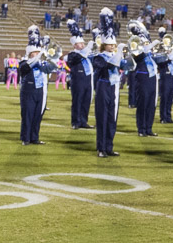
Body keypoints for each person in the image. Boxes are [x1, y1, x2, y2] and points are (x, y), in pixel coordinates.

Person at [91, 9, 127, 157]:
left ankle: (109, 147)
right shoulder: (99, 57)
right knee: (103, 117)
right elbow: (109, 65)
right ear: (104, 45)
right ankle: (101, 148)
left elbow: (126, 66)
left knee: (112, 117)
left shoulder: (115, 55)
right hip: (103, 86)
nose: (112, 46)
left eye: (114, 44)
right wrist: (119, 54)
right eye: (110, 44)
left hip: (114, 87)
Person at [18, 26, 57, 145]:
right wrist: (38, 57)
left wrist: (49, 57)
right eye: (34, 53)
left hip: (40, 91)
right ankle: (25, 138)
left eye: (37, 52)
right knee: (27, 115)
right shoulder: (24, 62)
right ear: (29, 53)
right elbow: (24, 68)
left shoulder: (41, 63)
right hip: (28, 92)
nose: (36, 54)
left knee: (37, 115)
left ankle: (34, 137)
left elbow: (52, 68)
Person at [128, 20, 160, 137]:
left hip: (152, 77)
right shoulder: (135, 46)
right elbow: (137, 57)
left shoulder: (149, 51)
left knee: (151, 103)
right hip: (142, 76)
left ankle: (148, 128)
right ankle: (141, 128)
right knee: (143, 103)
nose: (147, 44)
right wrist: (148, 47)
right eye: (145, 42)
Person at [66, 20, 94, 130]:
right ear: (74, 45)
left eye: (83, 43)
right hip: (78, 81)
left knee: (86, 101)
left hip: (88, 80)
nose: (82, 45)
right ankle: (75, 122)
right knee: (77, 101)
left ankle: (83, 121)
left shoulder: (86, 54)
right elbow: (77, 59)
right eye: (80, 44)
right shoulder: (72, 54)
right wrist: (87, 49)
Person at [156, 28, 173, 124]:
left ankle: (168, 116)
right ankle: (163, 117)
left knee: (170, 97)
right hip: (165, 76)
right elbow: (166, 59)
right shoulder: (160, 53)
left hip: (171, 75)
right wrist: (170, 52)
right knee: (164, 97)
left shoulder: (169, 53)